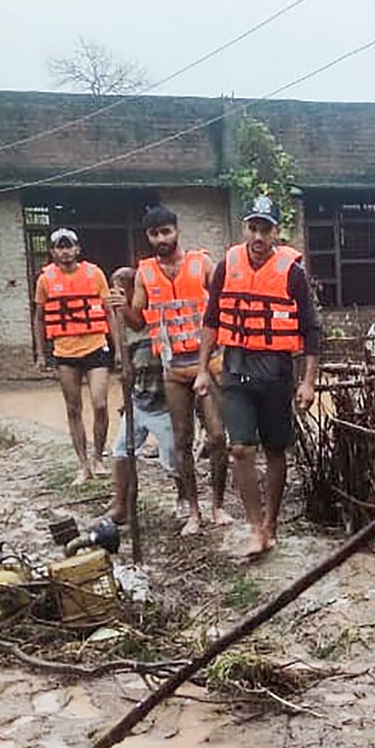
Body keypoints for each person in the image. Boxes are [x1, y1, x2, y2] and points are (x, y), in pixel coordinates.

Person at [195, 195, 321, 557]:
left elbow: (311, 329)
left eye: (265, 229)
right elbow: (212, 320)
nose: (258, 236)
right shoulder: (226, 265)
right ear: (244, 229)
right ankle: (254, 527)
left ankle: (271, 523)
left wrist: (308, 380)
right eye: (253, 227)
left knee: (275, 449)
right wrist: (204, 368)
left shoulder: (292, 272)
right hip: (235, 367)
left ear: (276, 232)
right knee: (240, 448)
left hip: (277, 372)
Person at [108, 205, 233, 536]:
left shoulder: (201, 263)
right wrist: (121, 307)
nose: (161, 239)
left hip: (209, 363)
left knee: (218, 436)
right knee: (182, 440)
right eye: (154, 234)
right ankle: (193, 511)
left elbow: (223, 304)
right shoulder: (145, 273)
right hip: (173, 368)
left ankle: (218, 505)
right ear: (148, 237)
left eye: (166, 231)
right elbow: (138, 321)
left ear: (177, 230)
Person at [33, 227, 113, 486]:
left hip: (95, 346)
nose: (65, 251)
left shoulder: (95, 273)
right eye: (59, 247)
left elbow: (109, 311)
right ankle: (83, 465)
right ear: (52, 251)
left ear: (78, 249)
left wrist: (119, 349)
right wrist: (40, 353)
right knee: (73, 407)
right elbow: (40, 317)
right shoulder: (45, 280)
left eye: (69, 246)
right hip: (64, 351)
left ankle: (99, 457)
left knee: (100, 404)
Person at [105, 266, 179, 524]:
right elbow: (125, 368)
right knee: (121, 452)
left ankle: (183, 498)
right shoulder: (121, 326)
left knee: (174, 459)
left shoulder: (155, 319)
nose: (119, 296)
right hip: (138, 400)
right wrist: (125, 400)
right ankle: (121, 503)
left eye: (124, 290)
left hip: (164, 403)